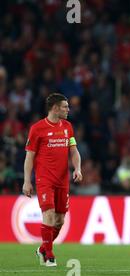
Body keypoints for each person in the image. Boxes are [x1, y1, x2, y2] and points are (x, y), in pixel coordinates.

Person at [23, 93, 83, 267]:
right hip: (44, 179)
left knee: (60, 220)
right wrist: (27, 181)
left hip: (62, 180)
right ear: (55, 108)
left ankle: (42, 248)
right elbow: (29, 157)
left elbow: (73, 150)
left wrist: (78, 168)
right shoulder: (37, 129)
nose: (68, 109)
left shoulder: (68, 127)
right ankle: (49, 255)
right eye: (65, 106)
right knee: (48, 215)